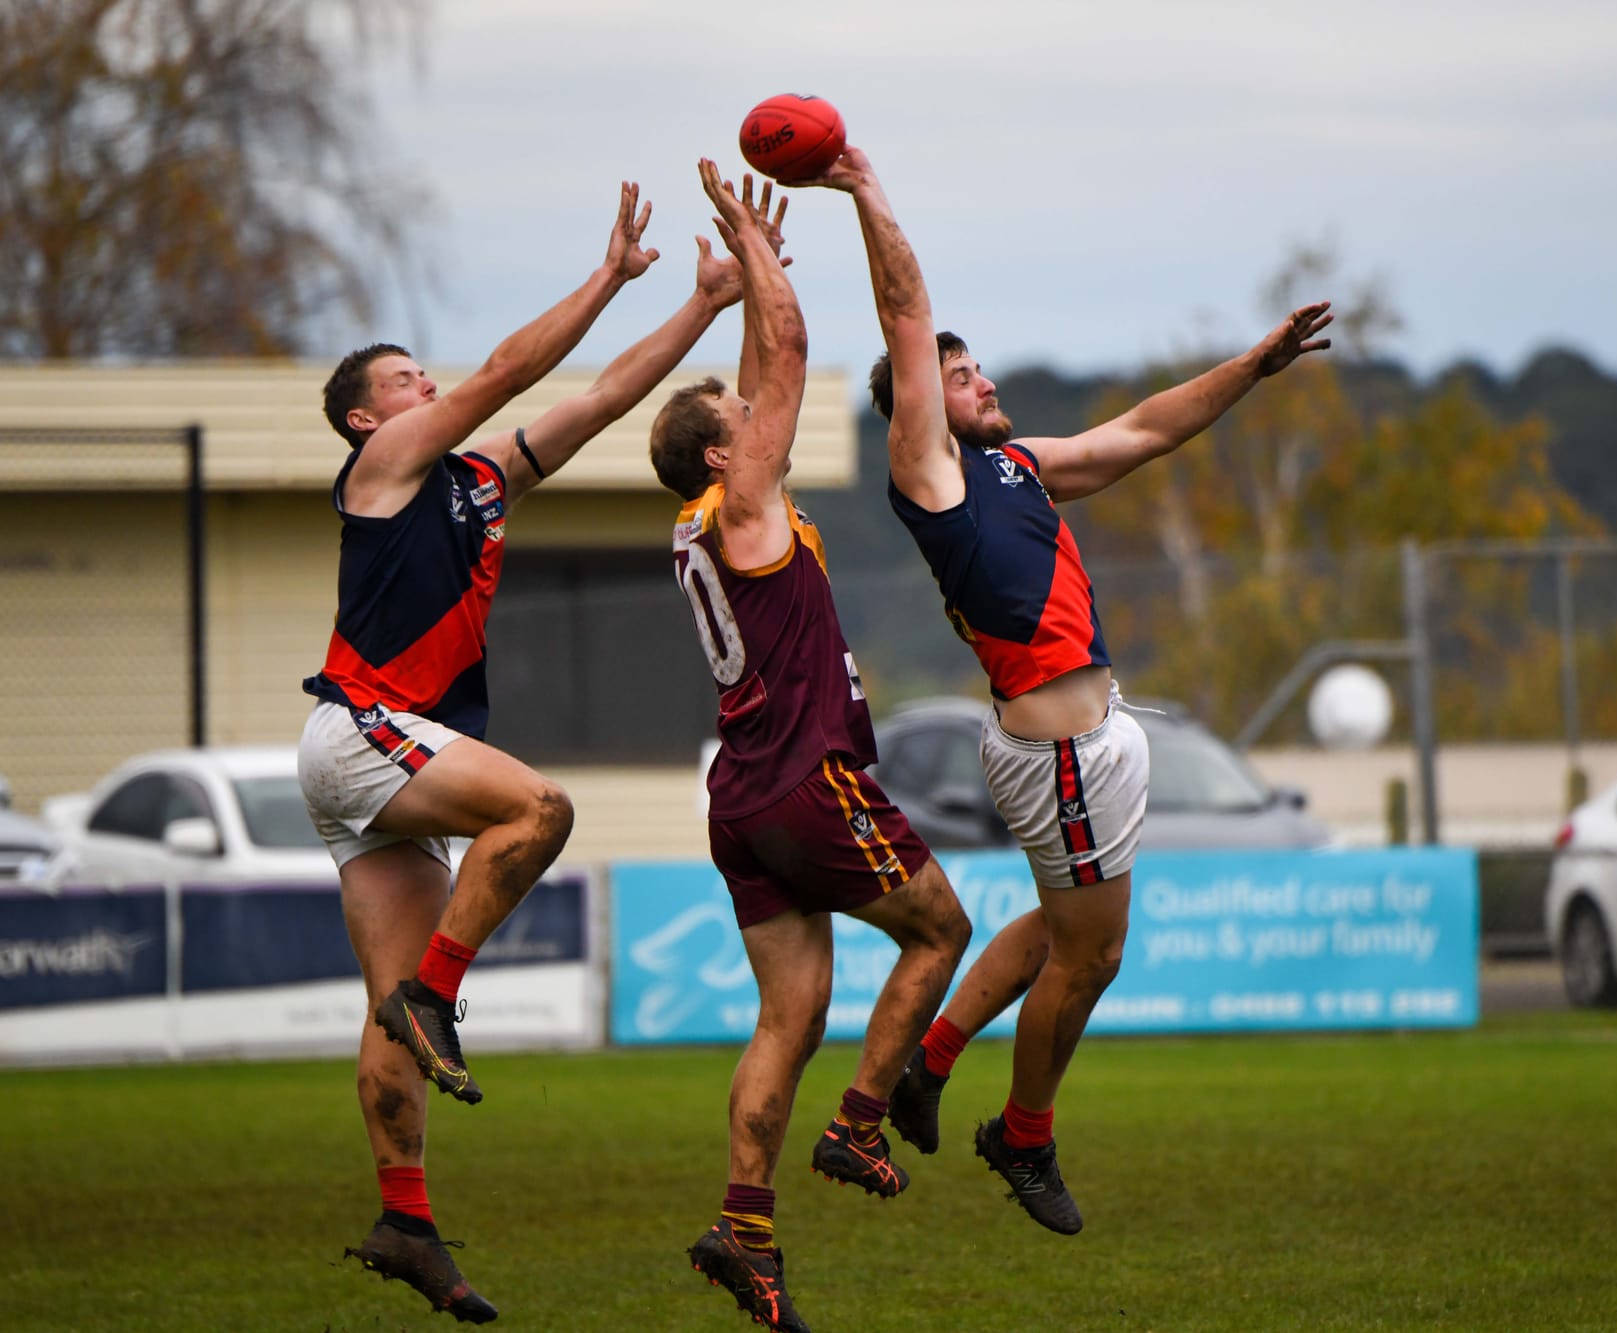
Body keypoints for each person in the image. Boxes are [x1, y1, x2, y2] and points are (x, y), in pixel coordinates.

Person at [814, 145, 1331, 1235]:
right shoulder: (931, 470)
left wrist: (1252, 365)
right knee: (1093, 956)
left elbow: (1144, 430)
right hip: (1060, 752)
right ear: (922, 408)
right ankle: (1023, 1135)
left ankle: (930, 1063)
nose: (981, 380)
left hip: (1087, 737)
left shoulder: (1017, 464)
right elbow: (906, 317)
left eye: (977, 368)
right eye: (961, 377)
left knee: (1059, 932)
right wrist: (865, 189)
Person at [300, 181, 755, 1323]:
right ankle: (438, 993)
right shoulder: (384, 471)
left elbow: (603, 396)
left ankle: (405, 1217)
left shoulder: (483, 477)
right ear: (369, 420)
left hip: (372, 765)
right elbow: (507, 371)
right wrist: (606, 275)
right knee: (539, 812)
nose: (426, 385)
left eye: (419, 375)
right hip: (363, 731)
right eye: (404, 381)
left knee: (384, 1030)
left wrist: (701, 306)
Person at [655, 161, 970, 1333]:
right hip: (806, 780)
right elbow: (784, 358)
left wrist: (740, 290)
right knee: (941, 930)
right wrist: (760, 255)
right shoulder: (741, 502)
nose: (762, 426)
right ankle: (857, 1123)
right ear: (719, 461)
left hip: (739, 796)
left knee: (787, 1016)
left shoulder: (705, 516)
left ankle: (744, 1227)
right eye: (743, 430)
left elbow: (754, 378)